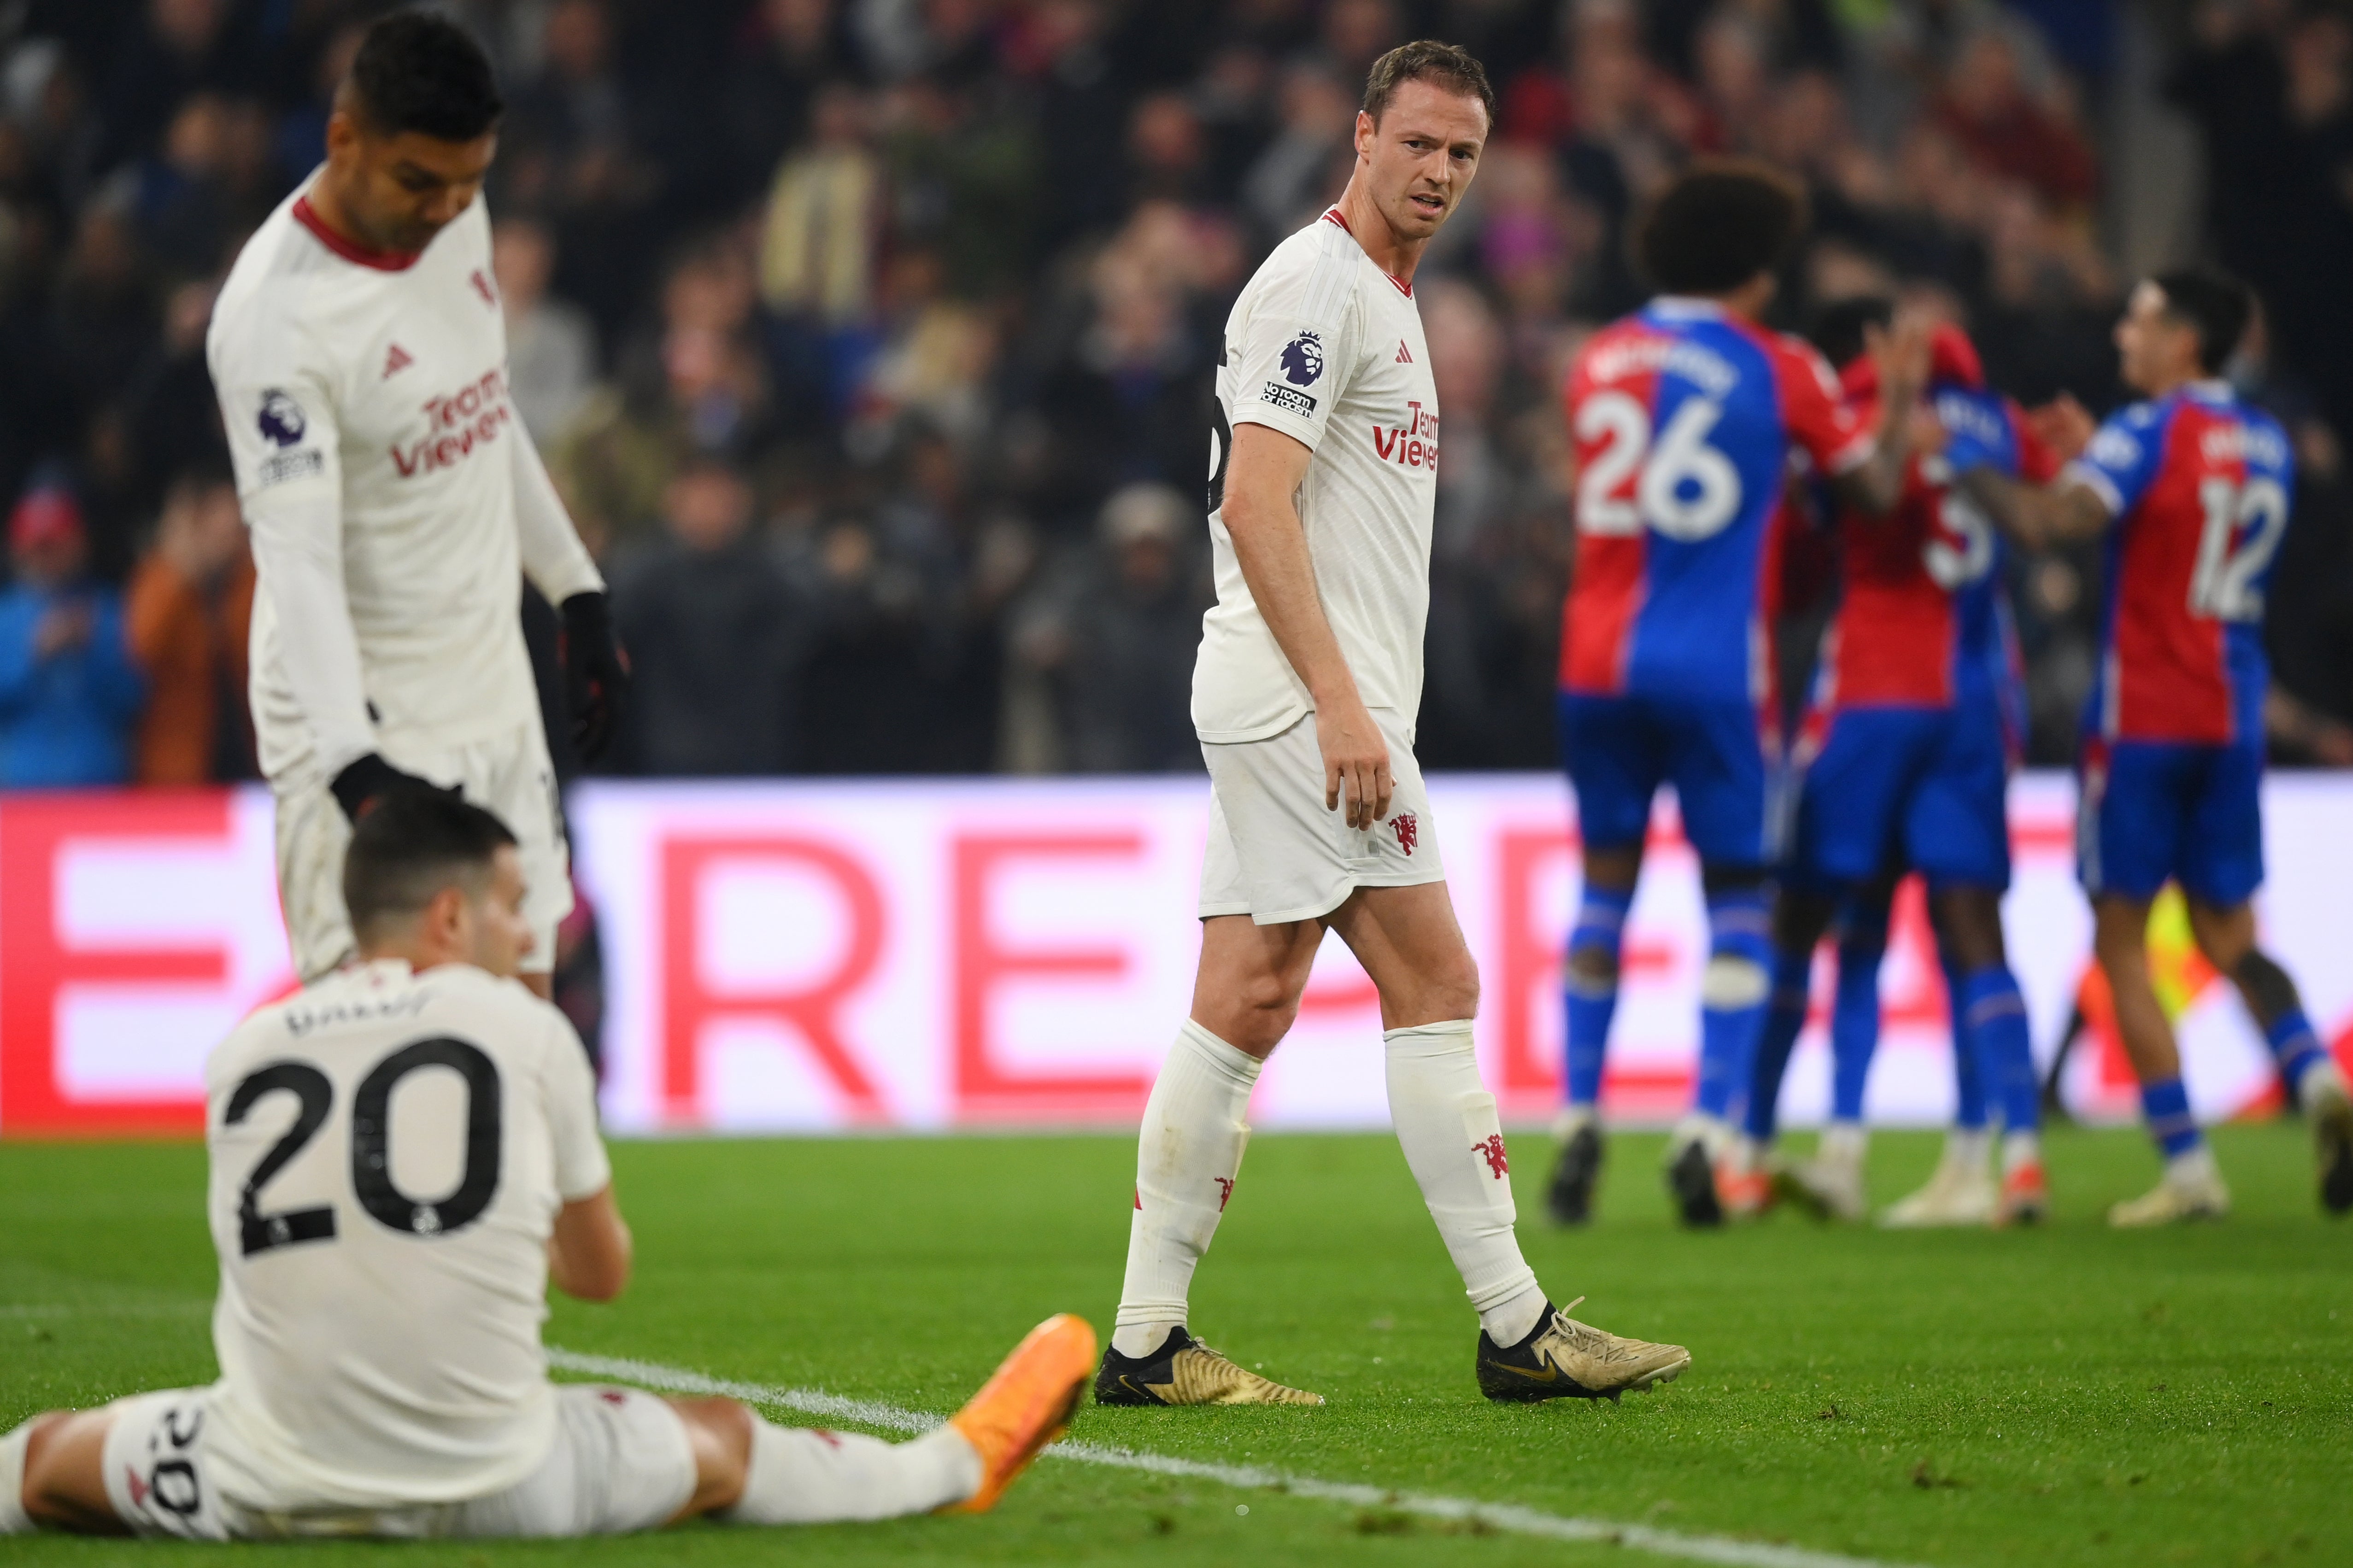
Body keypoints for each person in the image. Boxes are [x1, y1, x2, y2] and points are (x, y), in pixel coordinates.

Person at [0, 790, 1092, 1542]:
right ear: (448, 913)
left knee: (44, 1461)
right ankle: (949, 1466)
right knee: (716, 1439)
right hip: (499, 1480)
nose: (532, 933)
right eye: (515, 906)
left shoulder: (245, 1048)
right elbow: (598, 1275)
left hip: (259, 1472)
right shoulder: (523, 1029)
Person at [1097, 41, 1690, 1412]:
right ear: (1360, 137)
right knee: (1437, 982)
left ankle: (1143, 1343)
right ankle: (1515, 1322)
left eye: (1461, 155)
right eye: (1415, 143)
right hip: (1310, 707)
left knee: (1242, 1005)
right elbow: (1253, 504)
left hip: (1288, 700)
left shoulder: (1385, 298)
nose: (1436, 173)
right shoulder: (1317, 283)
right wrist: (1346, 707)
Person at [205, 12, 630, 1000]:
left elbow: (480, 410)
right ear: (343, 138)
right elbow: (298, 559)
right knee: (387, 1058)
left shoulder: (455, 216)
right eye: (419, 182)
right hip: (363, 710)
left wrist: (576, 592)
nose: (446, 209)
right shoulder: (277, 321)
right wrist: (357, 774)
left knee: (529, 1042)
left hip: (487, 689)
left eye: (469, 183)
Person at [1547, 163, 1930, 1228]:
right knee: (1737, 901)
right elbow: (1875, 496)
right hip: (1716, 670)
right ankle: (1706, 1128)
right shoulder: (1782, 364)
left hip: (1592, 665)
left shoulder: (1596, 359)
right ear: (1757, 273)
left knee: (1602, 892)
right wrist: (1892, 402)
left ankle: (1578, 1115)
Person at [1950, 268, 2353, 1223]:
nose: (2122, 336)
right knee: (2228, 933)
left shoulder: (2146, 430)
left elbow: (2053, 525)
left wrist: (1961, 458)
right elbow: (2176, 511)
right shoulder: (2264, 440)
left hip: (2141, 720)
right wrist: (2102, 459)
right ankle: (2316, 1080)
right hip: (2231, 713)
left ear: (2184, 340)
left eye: (2138, 320)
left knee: (2119, 936)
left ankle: (2186, 1168)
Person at [1729, 305, 2056, 1228]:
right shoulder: (2000, 422)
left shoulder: (1868, 408)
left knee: (1816, 919)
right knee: (1971, 932)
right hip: (1976, 700)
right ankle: (2009, 1160)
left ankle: (1762, 1151)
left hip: (1869, 691)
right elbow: (2044, 500)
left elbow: (1809, 543)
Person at [0, 483, 146, 788]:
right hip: (22, 788)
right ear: (18, 549)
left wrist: (91, 647)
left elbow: (134, 699)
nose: (46, 558)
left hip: (98, 784)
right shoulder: (7, 616)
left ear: (79, 544)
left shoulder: (107, 610)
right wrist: (33, 655)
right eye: (37, 548)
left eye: (56, 546)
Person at [125, 464, 255, 784]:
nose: (231, 529)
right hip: (178, 772)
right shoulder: (160, 577)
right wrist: (182, 569)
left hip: (251, 763)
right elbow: (143, 648)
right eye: (219, 518)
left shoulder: (250, 580)